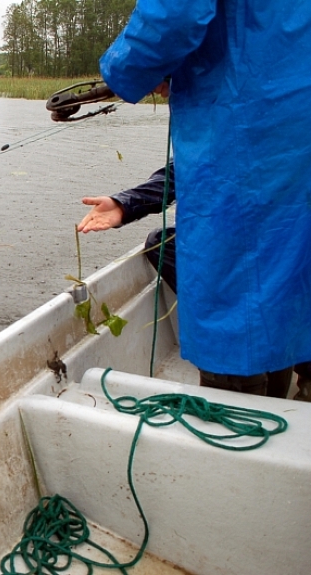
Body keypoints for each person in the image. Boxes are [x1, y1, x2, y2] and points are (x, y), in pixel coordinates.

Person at [94, 1, 311, 393]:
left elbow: (175, 14)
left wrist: (130, 70)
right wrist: (129, 203)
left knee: (238, 291)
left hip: (255, 111)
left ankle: (236, 423)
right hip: (284, 118)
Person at [78, 163, 311, 400]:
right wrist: (124, 204)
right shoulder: (220, 137)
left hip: (290, 245)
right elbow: (191, 164)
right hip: (249, 244)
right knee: (162, 243)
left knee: (279, 295)